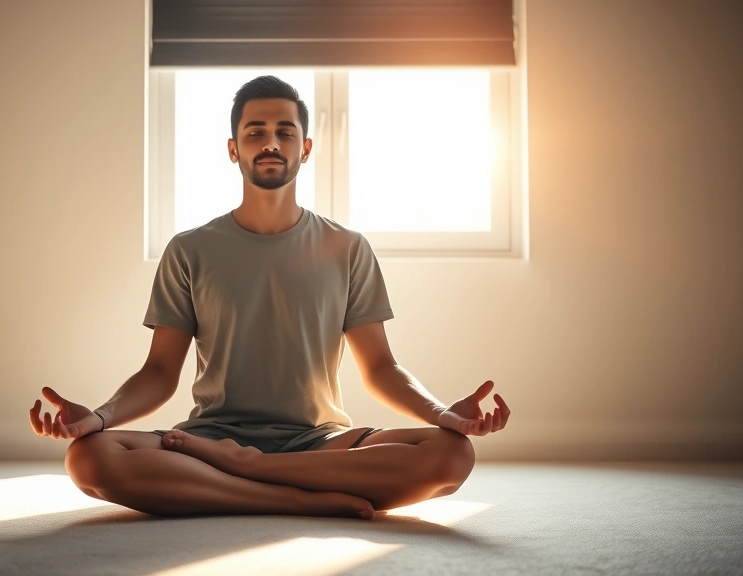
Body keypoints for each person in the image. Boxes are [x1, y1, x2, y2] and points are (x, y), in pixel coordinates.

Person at [29, 75, 511, 520]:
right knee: (89, 457)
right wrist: (99, 417)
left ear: (305, 148)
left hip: (320, 442)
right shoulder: (190, 250)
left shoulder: (346, 248)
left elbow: (381, 368)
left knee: (452, 454)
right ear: (233, 149)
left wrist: (442, 414)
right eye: (255, 132)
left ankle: (246, 471)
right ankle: (286, 498)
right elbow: (158, 373)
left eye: (284, 131)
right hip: (207, 438)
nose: (271, 143)